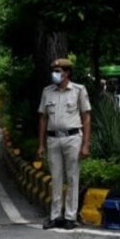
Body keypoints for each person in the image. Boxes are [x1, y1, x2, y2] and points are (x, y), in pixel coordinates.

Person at [36, 58, 91, 229]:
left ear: (66, 73)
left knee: (73, 177)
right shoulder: (47, 92)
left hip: (73, 137)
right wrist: (41, 144)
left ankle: (70, 216)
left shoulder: (78, 90)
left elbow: (86, 117)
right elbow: (43, 118)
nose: (55, 74)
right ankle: (54, 215)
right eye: (54, 71)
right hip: (53, 138)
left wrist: (85, 144)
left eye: (58, 71)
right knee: (56, 177)